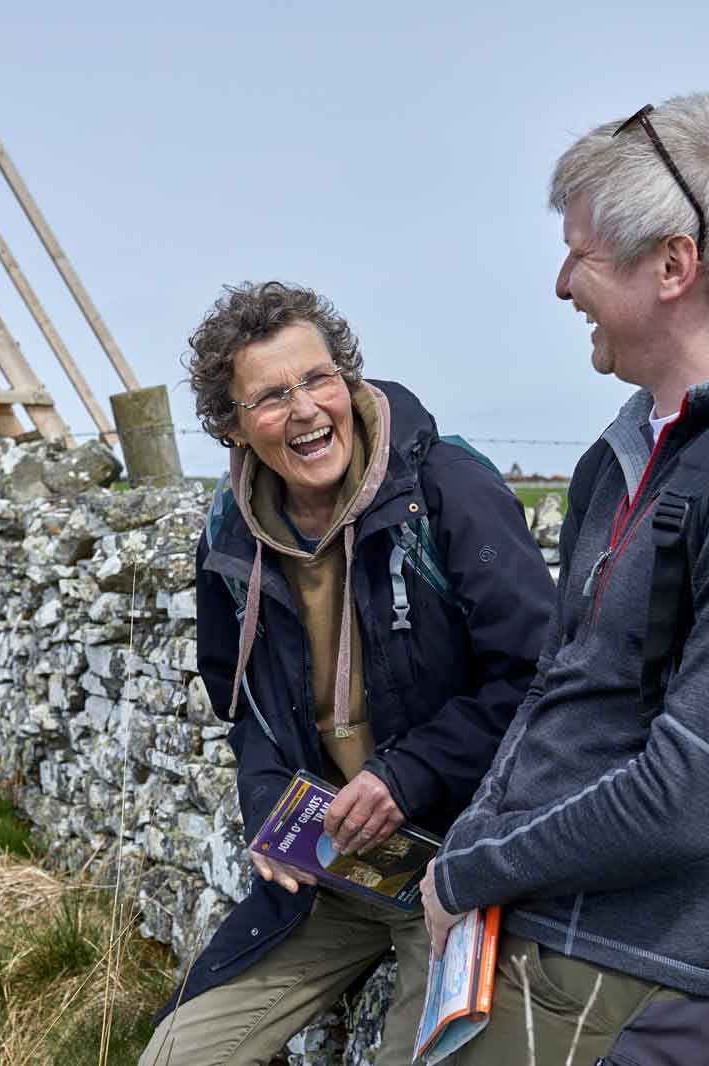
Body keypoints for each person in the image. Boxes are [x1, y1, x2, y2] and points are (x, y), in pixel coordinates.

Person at [419, 92, 709, 1064]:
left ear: (673, 264)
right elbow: (560, 693)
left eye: (582, 254)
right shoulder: (618, 457)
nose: (561, 283)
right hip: (513, 941)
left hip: (620, 974)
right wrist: (469, 860)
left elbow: (687, 795)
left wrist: (468, 870)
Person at [140, 281, 556, 1066]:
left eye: (317, 379)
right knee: (175, 1058)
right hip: (328, 873)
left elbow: (539, 677)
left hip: (460, 865)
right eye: (269, 396)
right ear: (231, 426)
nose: (304, 410)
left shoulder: (445, 490)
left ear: (349, 380)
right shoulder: (230, 534)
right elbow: (246, 705)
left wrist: (408, 775)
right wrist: (266, 798)